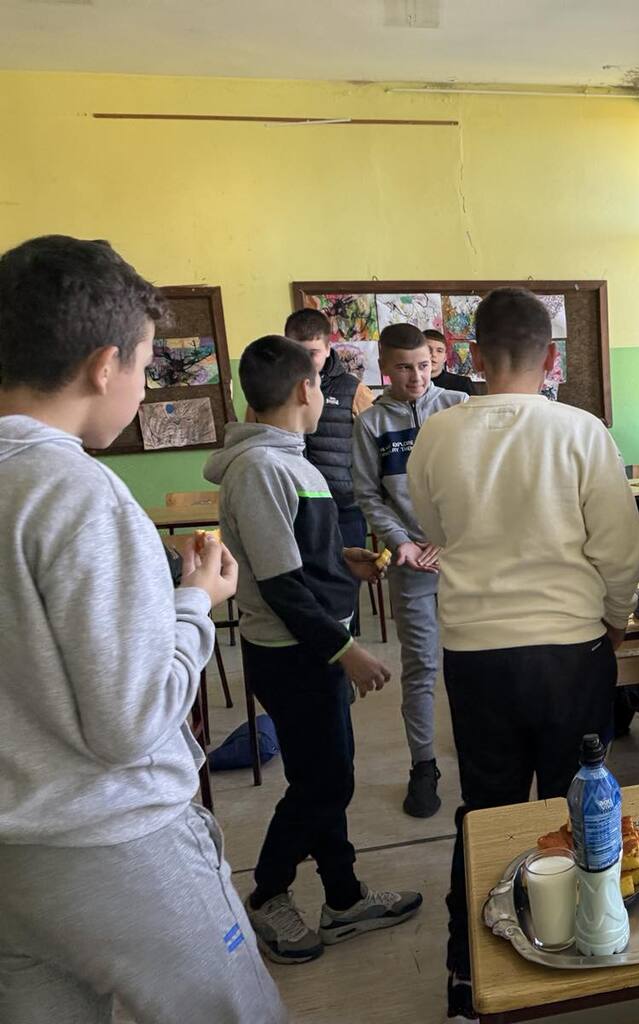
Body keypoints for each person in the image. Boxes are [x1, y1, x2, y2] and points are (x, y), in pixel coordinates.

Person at [0, 234, 286, 1022]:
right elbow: (128, 723)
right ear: (105, 365)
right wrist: (194, 603)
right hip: (112, 844)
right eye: (146, 363)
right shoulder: (75, 491)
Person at [406, 287, 639, 1021]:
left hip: (476, 654)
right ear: (551, 360)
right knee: (583, 810)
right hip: (570, 650)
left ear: (473, 357)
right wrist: (614, 623)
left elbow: (433, 528)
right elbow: (622, 550)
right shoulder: (581, 431)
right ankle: (583, 959)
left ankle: (469, 978)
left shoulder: (437, 434)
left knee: (488, 814)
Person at [206, 334, 421, 966]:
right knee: (324, 782)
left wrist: (339, 560)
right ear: (307, 389)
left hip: (312, 647)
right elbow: (279, 586)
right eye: (322, 385)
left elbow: (293, 558)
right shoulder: (260, 468)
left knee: (326, 775)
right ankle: (268, 891)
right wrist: (345, 650)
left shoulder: (287, 460)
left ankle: (344, 898)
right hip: (294, 653)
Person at [353, 323, 469, 817]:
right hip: (410, 565)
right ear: (384, 368)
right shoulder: (371, 424)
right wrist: (400, 541)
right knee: (421, 666)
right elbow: (368, 494)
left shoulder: (458, 407)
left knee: (473, 661)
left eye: (424, 365)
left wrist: (451, 538)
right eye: (404, 368)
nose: (417, 377)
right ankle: (424, 765)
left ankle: (477, 750)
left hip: (464, 562)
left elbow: (476, 482)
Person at [284, 307, 376, 635]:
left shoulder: (354, 389)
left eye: (312, 353)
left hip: (344, 507)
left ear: (327, 348)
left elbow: (373, 448)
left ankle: (346, 647)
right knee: (304, 587)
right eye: (296, 352)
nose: (305, 362)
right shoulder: (276, 388)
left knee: (343, 586)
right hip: (296, 506)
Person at [425, 327, 477, 395]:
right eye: (428, 349)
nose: (434, 354)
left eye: (439, 351)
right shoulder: (412, 384)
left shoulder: (463, 384)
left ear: (445, 357)